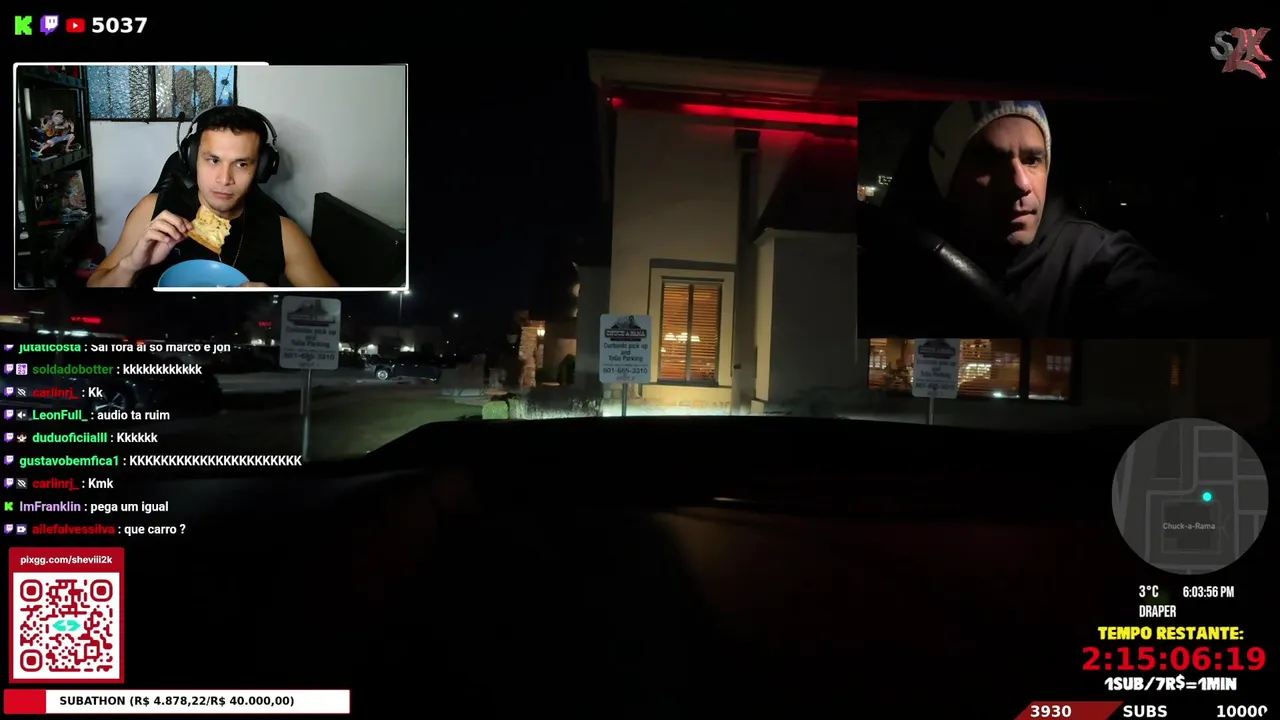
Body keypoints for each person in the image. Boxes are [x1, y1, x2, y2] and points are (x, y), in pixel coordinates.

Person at [860, 101, 1184, 337]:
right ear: (950, 179)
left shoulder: (1094, 257)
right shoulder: (903, 264)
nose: (1020, 183)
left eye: (1032, 160)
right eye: (991, 160)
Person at [88, 106, 337, 288]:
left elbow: (339, 309)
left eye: (241, 164)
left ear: (261, 169)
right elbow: (94, 288)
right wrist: (132, 264)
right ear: (192, 159)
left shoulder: (284, 233)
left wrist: (272, 305)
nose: (224, 179)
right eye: (213, 160)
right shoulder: (152, 210)